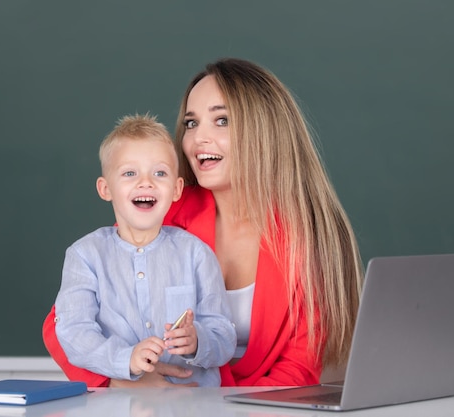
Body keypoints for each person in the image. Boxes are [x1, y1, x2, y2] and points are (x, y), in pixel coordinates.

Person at [43, 58, 363, 387]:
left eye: (221, 120)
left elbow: (299, 365)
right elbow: (62, 325)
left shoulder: (310, 236)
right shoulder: (168, 213)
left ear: (264, 130)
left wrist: (226, 406)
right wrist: (124, 381)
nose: (198, 139)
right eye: (191, 123)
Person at [51, 114, 236, 387]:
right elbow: (74, 331)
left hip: (195, 405)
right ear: (105, 189)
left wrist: (199, 340)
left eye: (159, 173)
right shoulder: (85, 255)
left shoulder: (196, 254)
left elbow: (223, 333)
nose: (146, 182)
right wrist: (125, 359)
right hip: (120, 406)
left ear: (176, 189)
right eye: (129, 173)